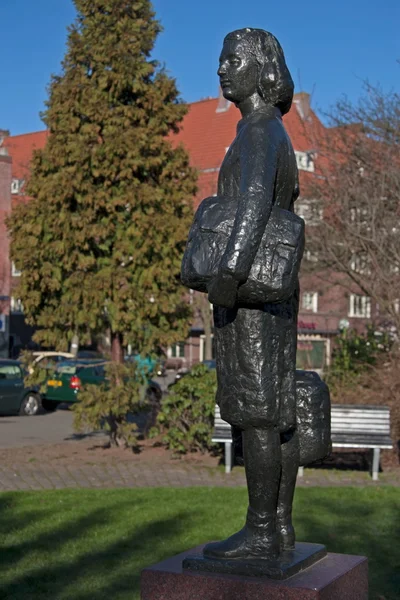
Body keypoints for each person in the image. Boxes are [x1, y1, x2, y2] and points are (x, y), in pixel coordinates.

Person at [204, 28, 300, 561]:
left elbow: (256, 204)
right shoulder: (268, 132)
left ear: (261, 69)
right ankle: (280, 528)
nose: (221, 68)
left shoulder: (261, 133)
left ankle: (261, 528)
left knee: (258, 412)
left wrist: (229, 272)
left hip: (252, 298)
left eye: (231, 59)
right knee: (274, 412)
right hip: (272, 295)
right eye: (220, 59)